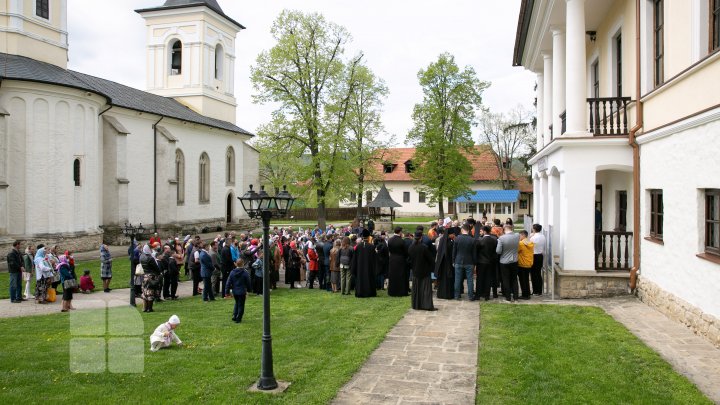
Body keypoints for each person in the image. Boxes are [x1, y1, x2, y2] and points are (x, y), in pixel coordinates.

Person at [409, 231, 436, 311]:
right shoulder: (424, 247)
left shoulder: (411, 247)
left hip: (415, 270)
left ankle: (416, 304)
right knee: (426, 289)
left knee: (416, 289)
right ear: (421, 238)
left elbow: (409, 259)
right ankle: (427, 305)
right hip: (424, 270)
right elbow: (430, 259)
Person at [496, 224, 520, 302]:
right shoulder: (517, 235)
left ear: (504, 229)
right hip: (514, 260)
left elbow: (498, 251)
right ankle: (516, 297)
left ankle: (508, 298)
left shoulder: (501, 238)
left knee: (505, 279)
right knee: (514, 279)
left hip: (504, 261)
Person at [452, 224, 476, 301]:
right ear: (468, 231)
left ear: (462, 230)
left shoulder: (457, 239)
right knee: (470, 279)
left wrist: (453, 261)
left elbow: (454, 252)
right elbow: (474, 253)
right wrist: (474, 263)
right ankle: (470, 296)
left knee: (457, 279)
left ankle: (456, 295)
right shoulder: (472, 240)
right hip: (469, 261)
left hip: (458, 261)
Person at [352, 229, 377, 298]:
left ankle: (360, 292)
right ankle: (369, 292)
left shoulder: (358, 247)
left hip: (360, 267)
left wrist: (354, 268)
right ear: (369, 237)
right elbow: (374, 259)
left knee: (360, 279)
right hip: (369, 267)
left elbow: (354, 259)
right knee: (368, 279)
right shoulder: (372, 247)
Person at [475, 225, 498, 301]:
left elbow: (477, 252)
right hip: (490, 262)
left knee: (479, 279)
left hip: (481, 262)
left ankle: (478, 295)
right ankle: (487, 295)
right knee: (488, 279)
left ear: (484, 231)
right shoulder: (494, 240)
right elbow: (495, 252)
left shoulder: (480, 240)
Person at [225, 258, 251, 323]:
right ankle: (238, 318)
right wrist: (249, 290)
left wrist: (227, 291)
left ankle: (234, 315)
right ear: (243, 264)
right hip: (242, 291)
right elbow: (248, 282)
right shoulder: (245, 273)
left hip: (235, 291)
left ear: (236, 264)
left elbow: (228, 282)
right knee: (241, 305)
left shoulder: (232, 272)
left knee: (237, 303)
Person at [387, 227, 409, 297]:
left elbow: (389, 250)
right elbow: (406, 252)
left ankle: (392, 291)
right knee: (401, 276)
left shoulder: (390, 240)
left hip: (392, 259)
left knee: (393, 275)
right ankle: (401, 291)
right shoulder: (402, 241)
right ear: (400, 232)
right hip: (400, 259)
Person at [140, 245, 162, 312]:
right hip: (152, 276)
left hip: (145, 275)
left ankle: (145, 308)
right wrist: (159, 273)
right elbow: (156, 267)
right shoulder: (150, 258)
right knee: (150, 292)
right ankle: (150, 308)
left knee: (145, 292)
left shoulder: (142, 256)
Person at [434, 228, 455, 300]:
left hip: (441, 264)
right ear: (450, 234)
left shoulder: (442, 240)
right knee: (448, 280)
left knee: (442, 280)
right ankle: (448, 294)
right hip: (448, 264)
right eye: (453, 234)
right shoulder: (450, 243)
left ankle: (441, 294)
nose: (454, 235)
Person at [530, 224, 546, 296]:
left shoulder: (533, 237)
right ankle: (539, 290)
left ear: (534, 229)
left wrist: (531, 236)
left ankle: (535, 291)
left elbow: (529, 245)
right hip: (540, 255)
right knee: (538, 273)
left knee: (534, 274)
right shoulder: (543, 236)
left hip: (534, 255)